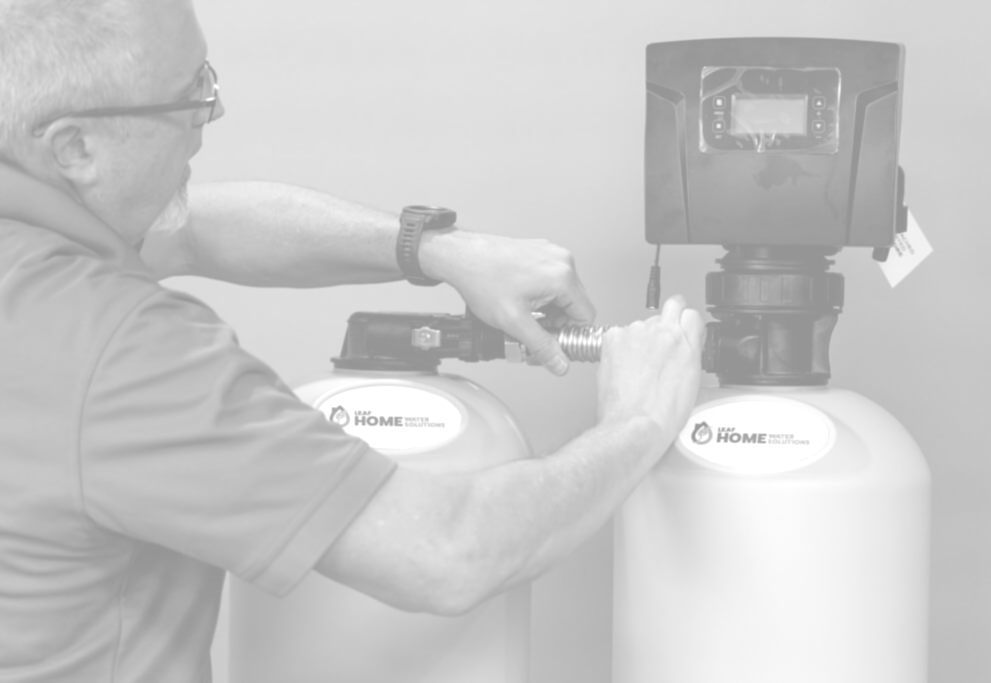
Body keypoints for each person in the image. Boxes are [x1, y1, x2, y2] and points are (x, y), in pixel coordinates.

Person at [0, 1, 705, 681]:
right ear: (75, 147)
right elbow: (447, 549)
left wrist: (436, 251)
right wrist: (639, 419)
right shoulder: (121, 353)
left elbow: (188, 229)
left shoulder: (34, 241)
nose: (210, 118)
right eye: (188, 98)